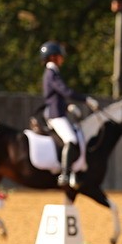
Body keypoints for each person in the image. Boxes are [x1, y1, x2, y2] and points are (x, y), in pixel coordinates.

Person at [40, 41, 99, 189]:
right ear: (53, 57)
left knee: (76, 136)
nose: (62, 59)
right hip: (56, 115)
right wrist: (86, 99)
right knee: (71, 140)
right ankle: (65, 175)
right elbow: (65, 91)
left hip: (60, 112)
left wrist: (68, 106)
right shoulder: (51, 73)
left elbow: (56, 96)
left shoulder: (52, 73)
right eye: (60, 56)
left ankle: (72, 173)